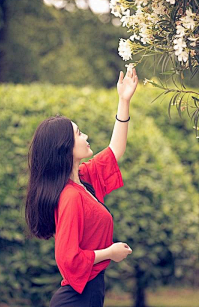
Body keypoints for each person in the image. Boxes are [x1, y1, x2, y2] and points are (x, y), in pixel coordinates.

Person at [25, 67, 139, 306]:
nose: (86, 136)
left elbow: (114, 151)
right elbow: (68, 259)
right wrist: (110, 252)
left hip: (91, 293)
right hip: (78, 298)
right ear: (64, 147)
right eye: (79, 133)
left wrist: (124, 100)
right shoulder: (70, 197)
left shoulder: (83, 179)